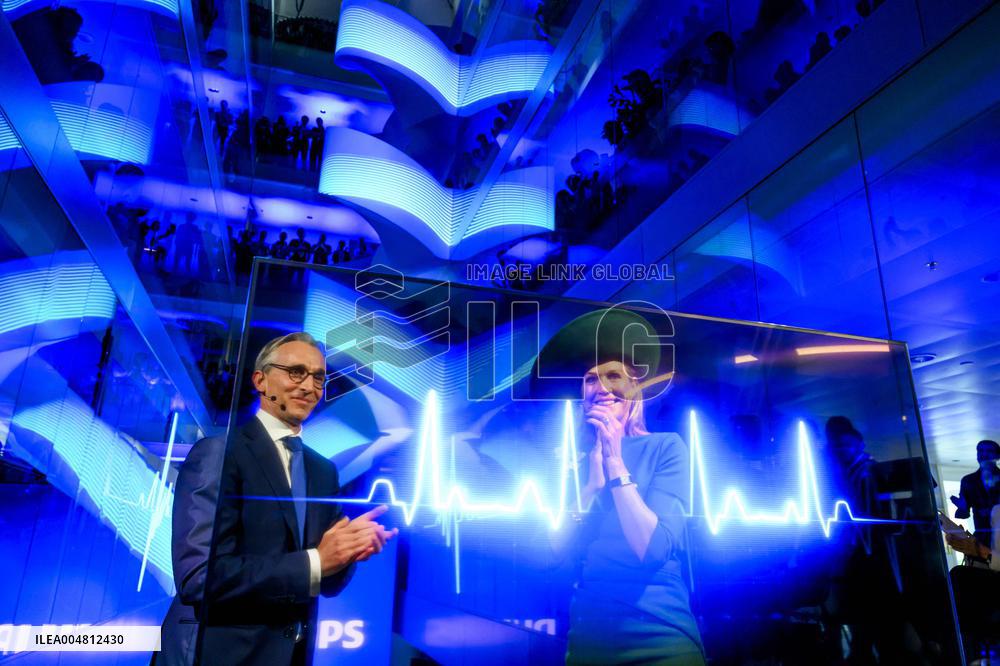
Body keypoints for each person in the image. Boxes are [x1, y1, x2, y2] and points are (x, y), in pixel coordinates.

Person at [158, 332, 398, 665]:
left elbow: (326, 582)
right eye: (296, 372)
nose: (308, 386)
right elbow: (199, 577)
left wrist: (349, 551)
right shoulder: (220, 453)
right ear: (260, 379)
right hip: (218, 654)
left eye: (318, 377)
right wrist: (316, 560)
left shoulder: (322, 471)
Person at [542, 309, 704, 665]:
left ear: (635, 389)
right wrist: (589, 486)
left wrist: (615, 464)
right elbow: (552, 554)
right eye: (589, 380)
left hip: (659, 635)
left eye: (613, 375)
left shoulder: (666, 447)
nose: (601, 388)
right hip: (589, 636)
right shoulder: (569, 461)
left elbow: (654, 549)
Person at [951, 440, 1000, 549]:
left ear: (997, 456)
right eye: (980, 450)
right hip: (982, 541)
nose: (984, 454)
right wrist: (962, 508)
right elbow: (964, 514)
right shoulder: (968, 481)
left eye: (989, 451)